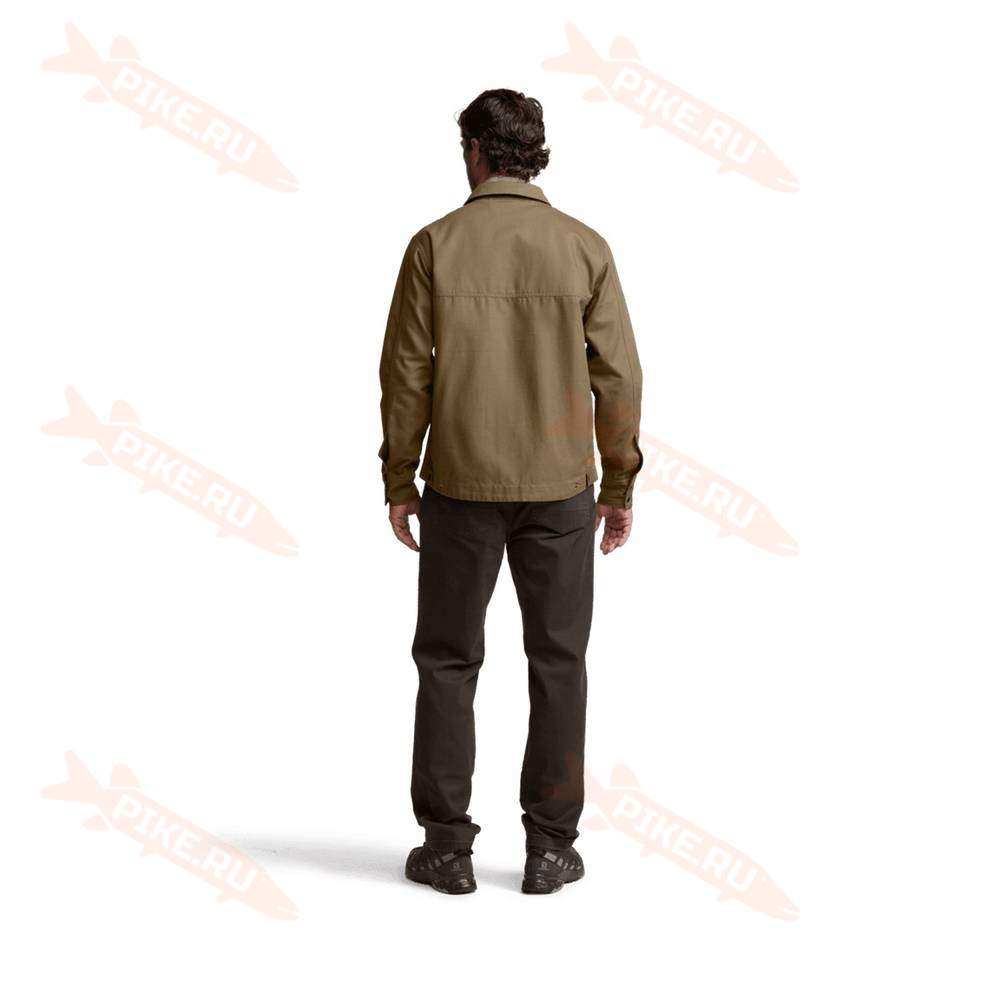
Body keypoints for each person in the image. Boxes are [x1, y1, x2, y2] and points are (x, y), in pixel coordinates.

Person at [378, 89, 643, 894]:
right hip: (561, 489)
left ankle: (447, 847)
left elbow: (405, 374)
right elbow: (619, 376)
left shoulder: (434, 245)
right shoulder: (584, 247)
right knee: (559, 662)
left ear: (475, 151)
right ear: (534, 153)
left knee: (447, 661)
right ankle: (551, 848)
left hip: (459, 484)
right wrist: (619, 482)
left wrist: (399, 476)